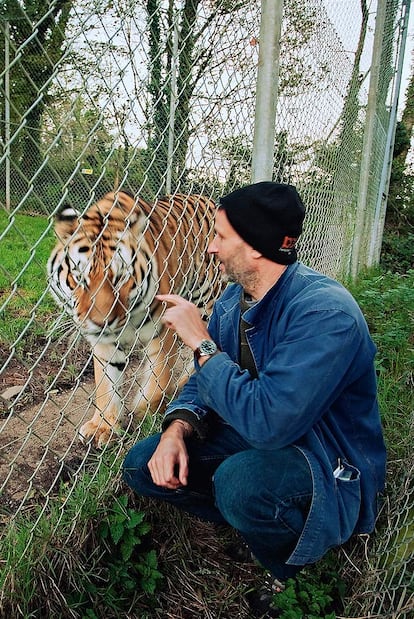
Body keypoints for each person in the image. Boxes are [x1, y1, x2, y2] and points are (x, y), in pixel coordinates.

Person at [123, 181, 386, 616]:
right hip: (265, 430)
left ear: (257, 247)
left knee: (239, 484)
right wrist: (176, 429)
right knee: (144, 464)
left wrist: (201, 342)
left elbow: (270, 423)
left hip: (326, 454)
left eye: (221, 236)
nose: (209, 248)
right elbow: (202, 383)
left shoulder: (325, 313)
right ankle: (262, 520)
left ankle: (294, 571)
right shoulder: (234, 300)